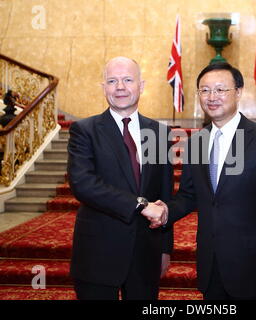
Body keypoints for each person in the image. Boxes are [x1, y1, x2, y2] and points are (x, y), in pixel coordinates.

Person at [154, 62, 256, 300]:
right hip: (210, 263)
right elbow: (189, 196)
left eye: (220, 89)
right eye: (205, 90)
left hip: (252, 265)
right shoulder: (196, 142)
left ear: (238, 92)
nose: (212, 97)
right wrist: (166, 210)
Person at [67, 57, 173, 300]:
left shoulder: (159, 133)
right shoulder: (84, 130)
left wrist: (165, 248)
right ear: (103, 87)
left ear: (141, 85)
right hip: (97, 253)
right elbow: (83, 184)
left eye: (127, 80)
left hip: (146, 253)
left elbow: (165, 193)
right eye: (112, 81)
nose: (120, 87)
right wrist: (140, 204)